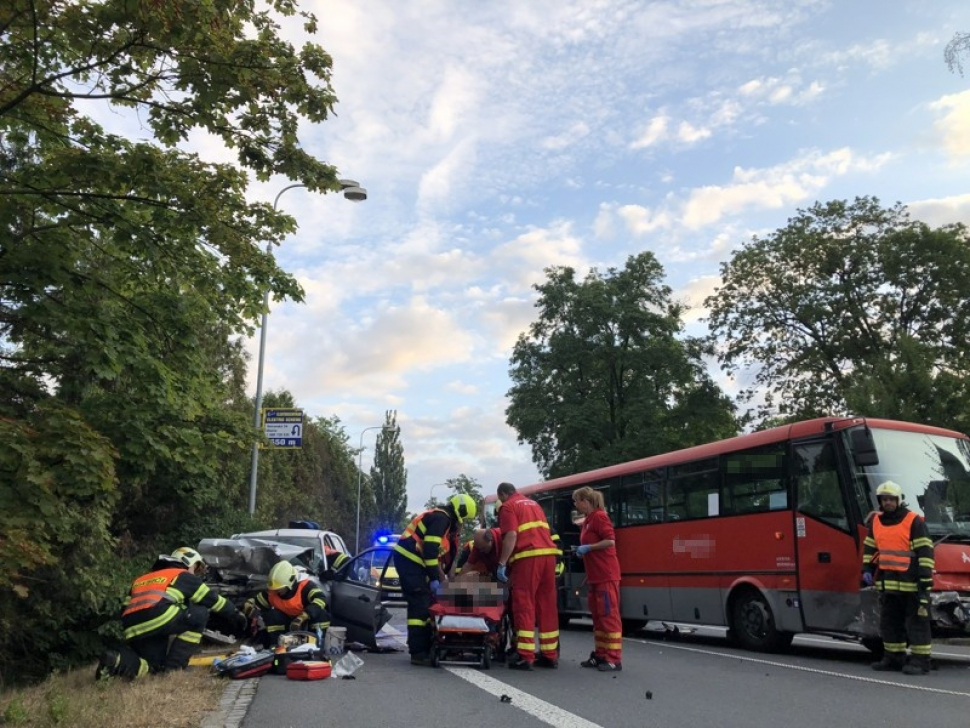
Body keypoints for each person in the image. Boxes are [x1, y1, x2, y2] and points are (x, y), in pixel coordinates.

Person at [95, 547, 248, 680]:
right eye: (195, 568)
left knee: (152, 667)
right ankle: (176, 667)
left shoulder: (142, 579)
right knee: (200, 613)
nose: (196, 573)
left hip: (132, 625)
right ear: (188, 563)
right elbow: (212, 600)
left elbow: (125, 607)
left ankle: (115, 660)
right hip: (160, 616)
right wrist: (236, 614)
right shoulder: (182, 575)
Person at [393, 493, 478, 666]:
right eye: (463, 520)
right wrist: (436, 578)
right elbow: (430, 552)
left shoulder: (442, 520)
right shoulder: (441, 519)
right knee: (420, 606)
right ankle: (418, 653)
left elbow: (438, 555)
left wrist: (442, 577)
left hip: (414, 563)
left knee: (425, 603)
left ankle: (422, 645)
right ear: (459, 513)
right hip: (410, 562)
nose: (462, 524)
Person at [862, 480, 935, 675]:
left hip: (912, 583)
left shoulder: (914, 521)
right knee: (889, 622)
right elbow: (870, 547)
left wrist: (925, 578)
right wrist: (867, 568)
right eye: (884, 499)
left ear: (899, 500)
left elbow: (925, 552)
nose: (888, 503)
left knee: (916, 623)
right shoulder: (876, 522)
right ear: (880, 501)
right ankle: (893, 657)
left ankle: (921, 661)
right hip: (889, 582)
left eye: (891, 499)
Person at [496, 481, 560, 670]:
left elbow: (511, 536)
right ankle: (550, 654)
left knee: (524, 602)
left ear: (502, 495)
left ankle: (525, 655)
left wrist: (502, 563)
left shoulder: (508, 506)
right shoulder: (534, 504)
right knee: (547, 605)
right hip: (548, 556)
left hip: (528, 556)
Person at [573, 486, 623, 672]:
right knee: (599, 617)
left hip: (605, 575)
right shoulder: (589, 520)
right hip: (595, 575)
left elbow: (610, 540)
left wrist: (589, 548)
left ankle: (614, 658)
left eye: (576, 501)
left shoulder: (599, 517)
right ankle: (601, 654)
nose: (575, 505)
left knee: (609, 617)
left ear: (585, 501)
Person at [243, 561, 331, 647]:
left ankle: (318, 644)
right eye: (275, 588)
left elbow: (321, 599)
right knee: (272, 615)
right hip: (287, 625)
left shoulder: (306, 587)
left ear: (290, 582)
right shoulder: (273, 592)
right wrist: (248, 605)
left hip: (307, 623)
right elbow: (257, 601)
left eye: (280, 588)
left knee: (321, 614)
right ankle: (277, 646)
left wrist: (303, 617)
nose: (277, 591)